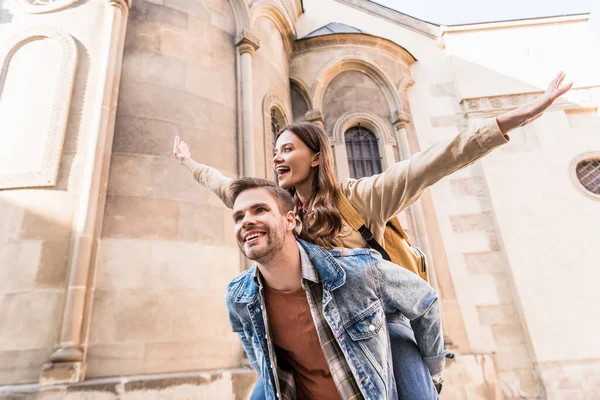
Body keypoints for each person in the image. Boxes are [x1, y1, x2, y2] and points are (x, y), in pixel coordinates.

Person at [174, 71, 572, 399]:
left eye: (288, 148)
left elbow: (432, 163)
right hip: (316, 328)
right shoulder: (280, 208)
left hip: (378, 322)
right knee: (265, 390)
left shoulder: (358, 198)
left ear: (315, 156)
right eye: (275, 150)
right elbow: (229, 188)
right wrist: (190, 163)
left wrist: (512, 119)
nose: (277, 156)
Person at [226, 177, 451, 400]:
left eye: (260, 210)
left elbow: (425, 300)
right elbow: (251, 343)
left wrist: (432, 372)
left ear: (290, 220)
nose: (246, 221)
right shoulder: (238, 297)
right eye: (239, 217)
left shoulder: (359, 271)